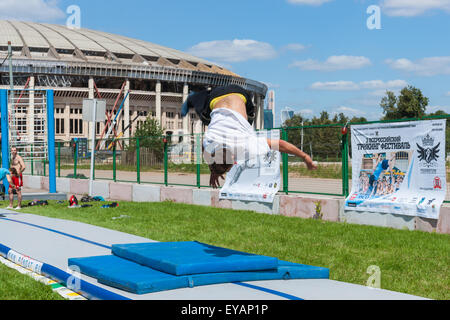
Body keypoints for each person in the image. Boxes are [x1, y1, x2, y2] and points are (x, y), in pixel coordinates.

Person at [182, 85, 317, 188]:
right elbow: (203, 148)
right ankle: (197, 96)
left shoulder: (245, 147)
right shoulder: (209, 142)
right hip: (216, 96)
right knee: (206, 117)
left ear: (234, 158)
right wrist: (213, 169)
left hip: (240, 94)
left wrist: (305, 157)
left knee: (250, 118)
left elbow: (280, 144)